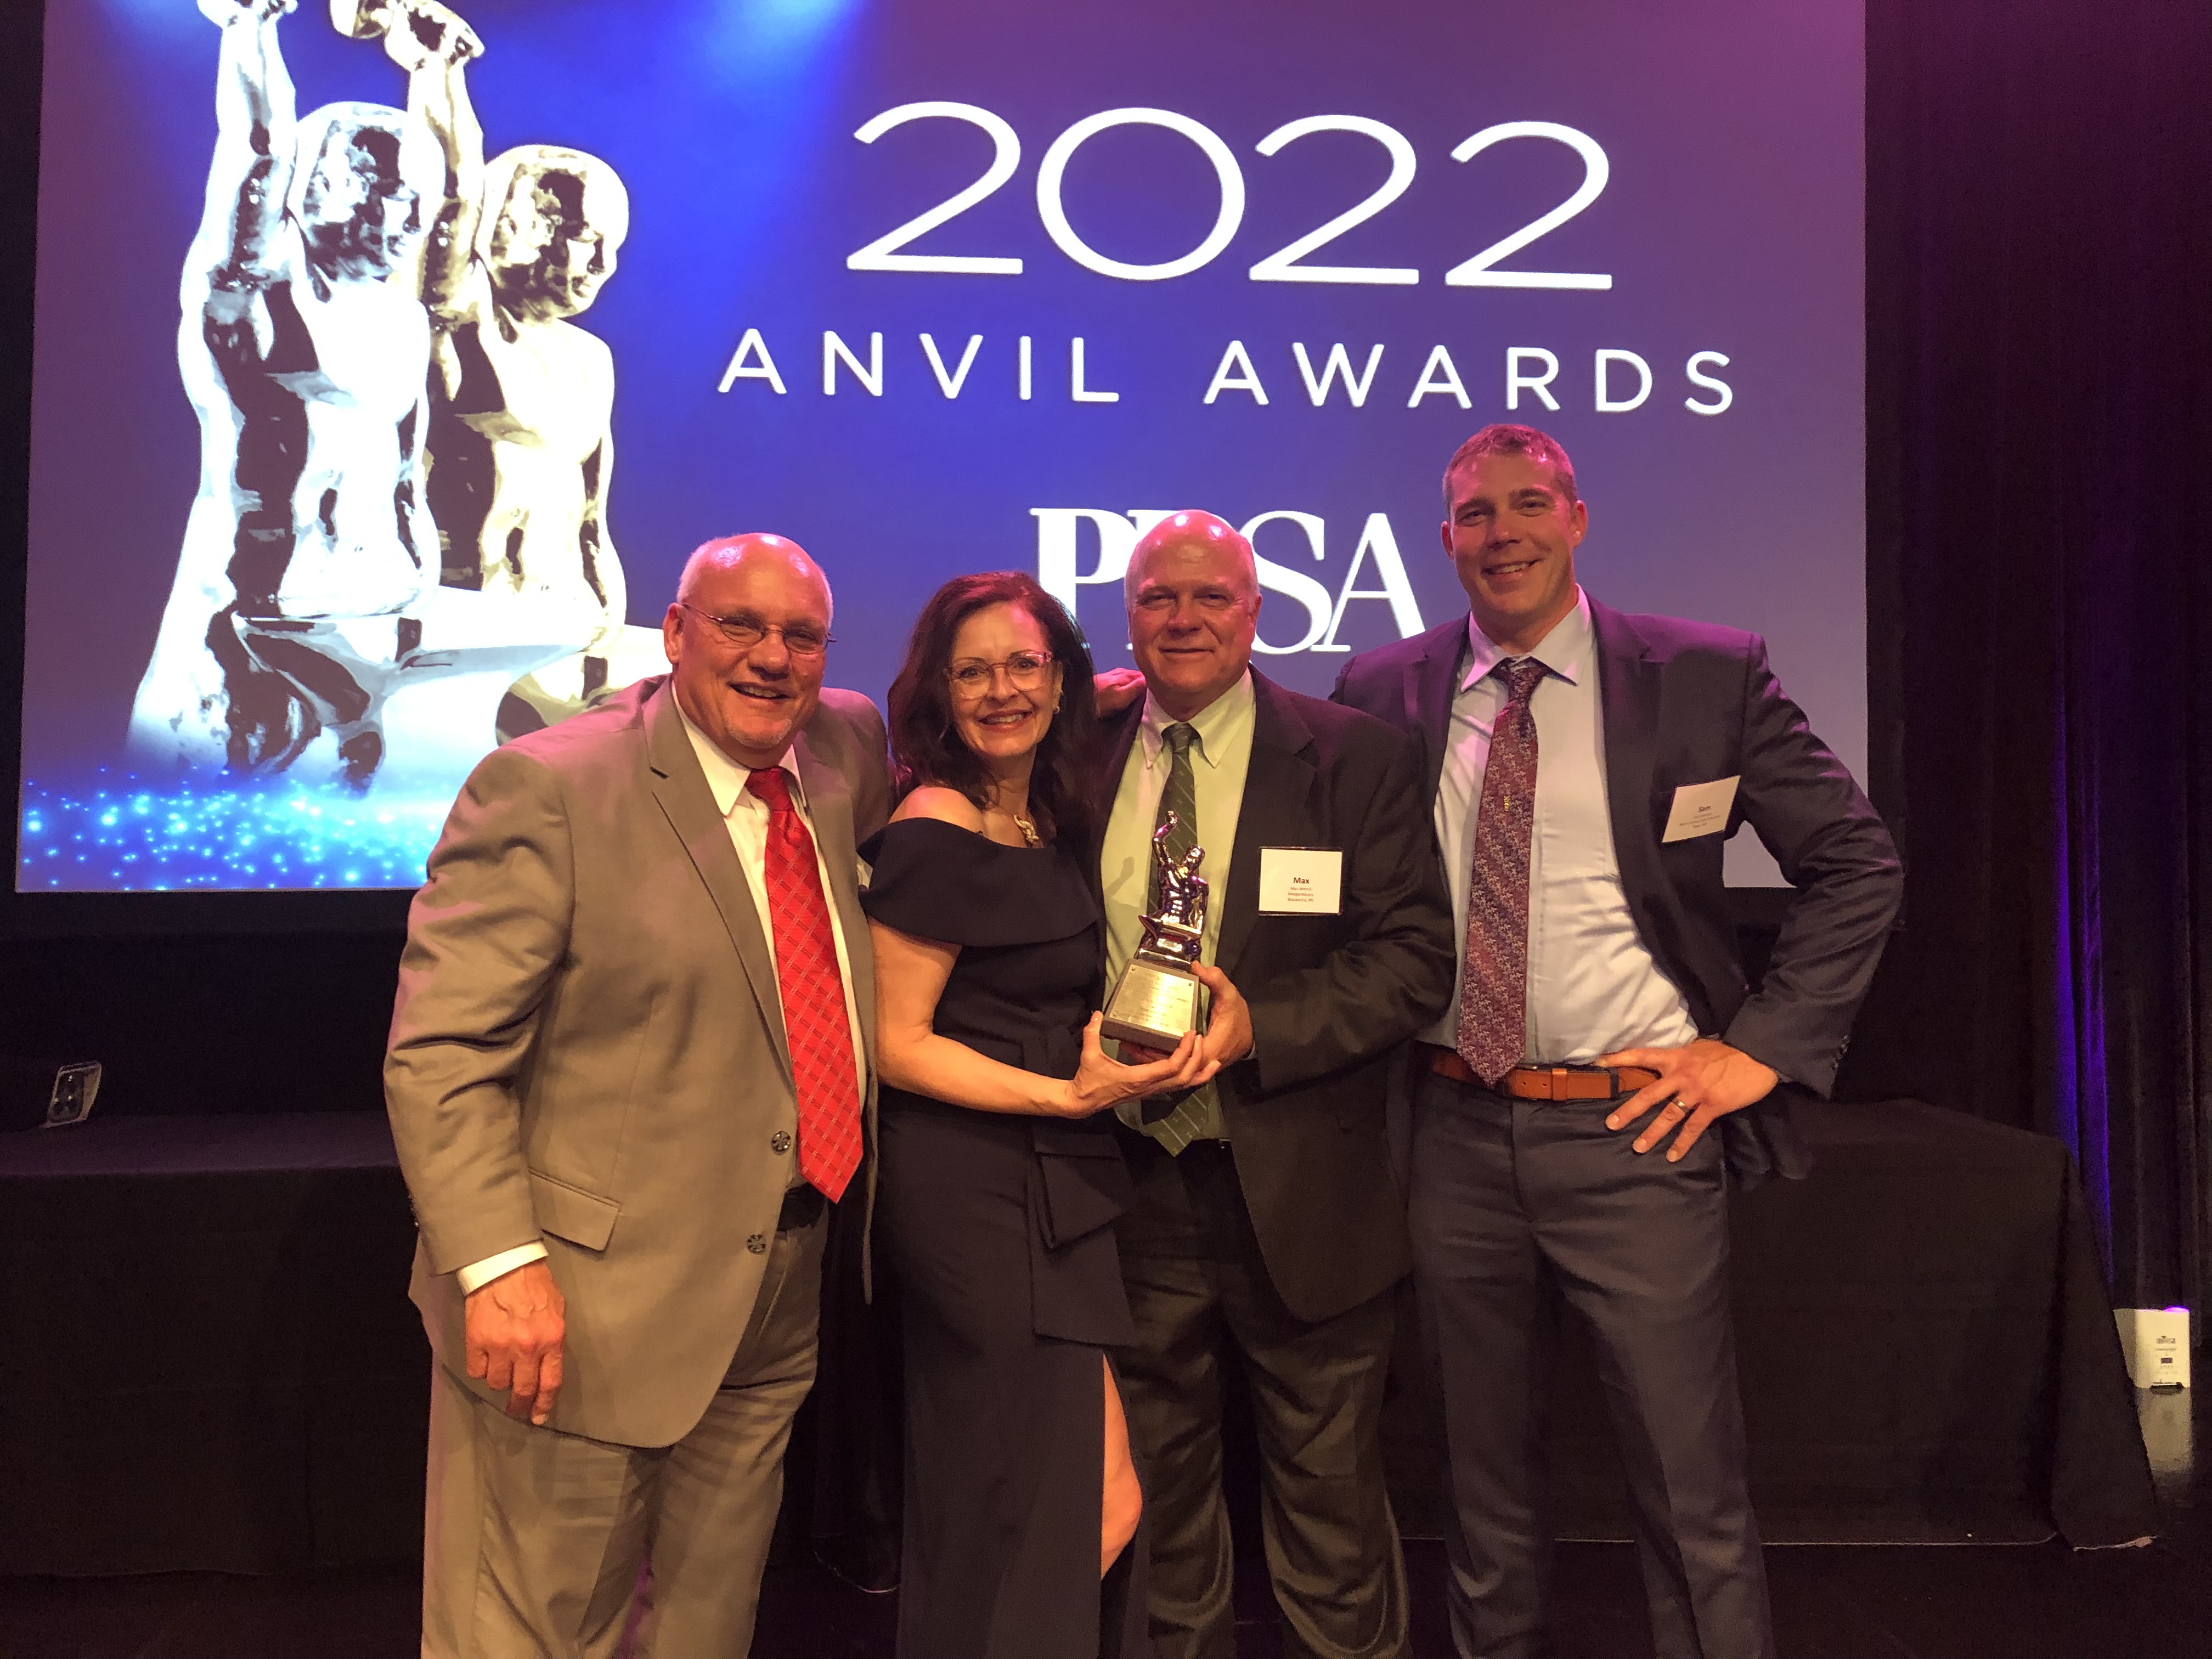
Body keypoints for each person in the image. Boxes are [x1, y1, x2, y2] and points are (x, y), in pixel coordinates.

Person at [1331, 425, 1903, 1659]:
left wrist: (1752, 1050)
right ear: (1445, 543)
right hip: (1448, 1130)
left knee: (1688, 1490)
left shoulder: (1704, 674)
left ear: (1578, 519)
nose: (1505, 534)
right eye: (1477, 516)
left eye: (1529, 505)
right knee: (1479, 1494)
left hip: (1635, 1132)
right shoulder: (1381, 692)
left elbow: (1856, 862)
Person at [385, 533, 889, 1657]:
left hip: (774, 1292)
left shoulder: (844, 750)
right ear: (672, 634)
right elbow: (442, 1052)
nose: (773, 659)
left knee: (706, 1626)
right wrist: (498, 1266)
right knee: (529, 1631)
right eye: (739, 627)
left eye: (801, 636)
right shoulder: (551, 786)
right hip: (576, 1311)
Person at [1096, 513, 1458, 1659]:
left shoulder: (1355, 757)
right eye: (1161, 597)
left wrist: (1262, 1028)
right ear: (1129, 614)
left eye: (1213, 597)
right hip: (1128, 1183)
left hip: (1308, 1190)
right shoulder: (1074, 753)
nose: (1186, 618)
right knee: (1158, 1516)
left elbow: (1414, 960)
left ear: (1258, 612)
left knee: (1334, 1514)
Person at [865, 571, 1228, 1659]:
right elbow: (896, 1043)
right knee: (1048, 1508)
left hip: (1051, 1184)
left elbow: (1105, 688)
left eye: (1024, 664)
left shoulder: (1041, 815)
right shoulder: (937, 826)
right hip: (975, 1194)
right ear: (936, 690)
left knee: (1087, 1499)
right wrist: (1064, 1095)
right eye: (971, 671)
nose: (1000, 691)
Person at [129, 0, 469, 782]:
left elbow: (451, 208)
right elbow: (252, 158)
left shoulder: (403, 320)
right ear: (311, 189)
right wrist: (248, 28)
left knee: (354, 878)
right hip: (243, 640)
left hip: (369, 632)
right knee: (201, 877)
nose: (407, 212)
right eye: (380, 186)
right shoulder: (253, 304)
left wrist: (435, 73)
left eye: (411, 193)